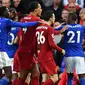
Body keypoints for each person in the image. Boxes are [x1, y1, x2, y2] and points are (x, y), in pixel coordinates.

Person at [0, 6, 39, 85]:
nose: (9, 13)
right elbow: (23, 25)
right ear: (3, 12)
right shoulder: (6, 21)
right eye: (7, 11)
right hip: (2, 51)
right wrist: (37, 22)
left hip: (5, 52)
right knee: (9, 75)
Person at [13, 1, 42, 85]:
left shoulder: (23, 19)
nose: (41, 10)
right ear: (35, 10)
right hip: (28, 50)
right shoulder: (37, 20)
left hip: (24, 49)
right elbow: (46, 28)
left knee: (35, 73)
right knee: (23, 75)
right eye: (40, 8)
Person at [35, 10, 65, 85]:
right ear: (51, 18)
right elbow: (51, 44)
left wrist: (59, 32)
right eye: (54, 17)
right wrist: (61, 50)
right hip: (47, 56)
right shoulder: (49, 28)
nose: (54, 18)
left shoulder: (38, 28)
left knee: (44, 78)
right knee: (55, 78)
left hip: (40, 55)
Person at [55, 13, 85, 85]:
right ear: (76, 20)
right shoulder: (82, 27)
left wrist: (62, 25)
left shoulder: (65, 27)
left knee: (70, 76)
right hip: (79, 55)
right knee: (82, 75)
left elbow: (54, 29)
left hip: (68, 55)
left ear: (68, 19)